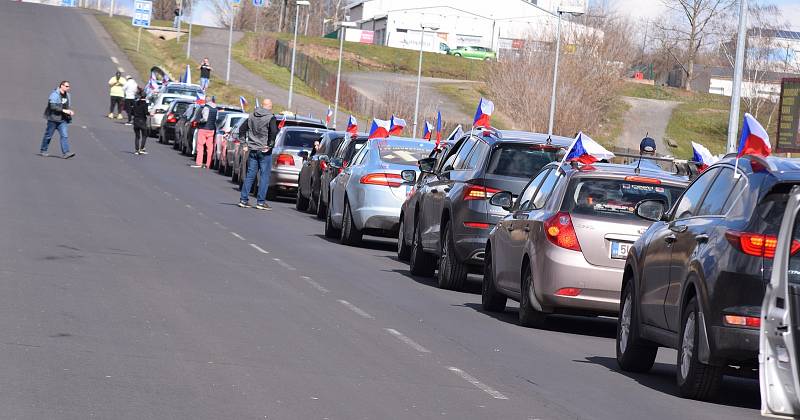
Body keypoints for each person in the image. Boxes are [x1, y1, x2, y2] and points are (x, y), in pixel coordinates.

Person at [238, 99, 278, 210]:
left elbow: (241, 129)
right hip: (264, 150)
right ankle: (260, 202)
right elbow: (274, 132)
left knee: (250, 175)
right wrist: (270, 145)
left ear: (261, 106)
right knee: (264, 177)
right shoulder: (271, 117)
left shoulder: (251, 116)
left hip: (253, 149)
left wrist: (244, 144)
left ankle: (243, 199)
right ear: (269, 106)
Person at [40, 81, 76, 159]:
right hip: (53, 119)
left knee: (64, 136)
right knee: (48, 135)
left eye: (68, 86)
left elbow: (66, 106)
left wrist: (69, 111)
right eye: (66, 86)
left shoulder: (68, 95)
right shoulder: (54, 95)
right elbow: (52, 106)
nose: (68, 88)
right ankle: (43, 150)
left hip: (63, 120)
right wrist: (64, 110)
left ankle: (66, 153)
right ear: (61, 86)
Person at [191, 96, 217, 169]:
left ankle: (199, 162)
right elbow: (216, 119)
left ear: (206, 101)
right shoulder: (216, 109)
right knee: (210, 147)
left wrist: (199, 121)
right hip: (211, 129)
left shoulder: (206, 108)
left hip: (203, 129)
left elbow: (205, 119)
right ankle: (208, 164)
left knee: (200, 146)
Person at [131, 88, 150, 155]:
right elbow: (146, 112)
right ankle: (142, 148)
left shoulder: (136, 103)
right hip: (142, 121)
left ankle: (136, 150)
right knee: (144, 135)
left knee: (137, 136)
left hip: (135, 121)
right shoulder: (145, 104)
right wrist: (149, 114)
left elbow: (132, 112)